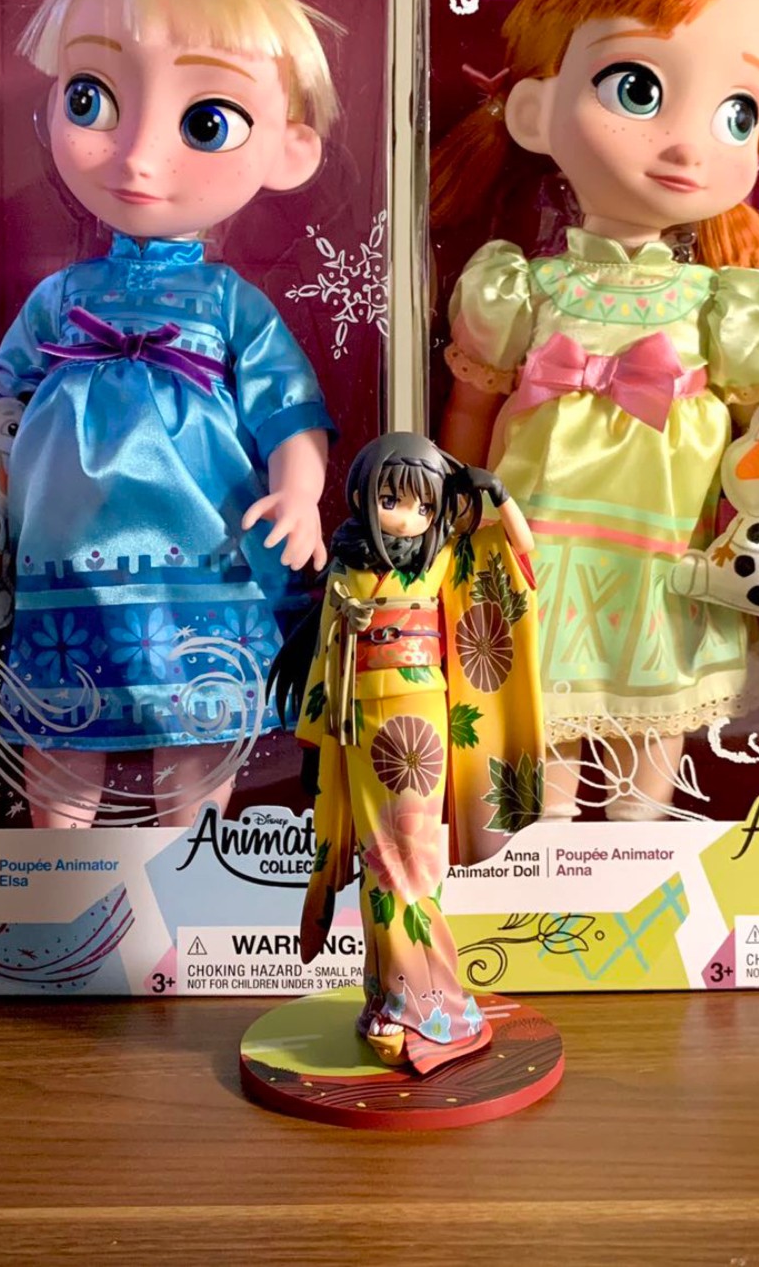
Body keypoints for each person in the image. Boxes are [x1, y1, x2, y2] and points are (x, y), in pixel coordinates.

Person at [435, 0, 759, 821]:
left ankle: (639, 860)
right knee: (538, 722)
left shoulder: (722, 302)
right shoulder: (520, 286)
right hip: (541, 546)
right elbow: (468, 411)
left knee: (653, 732)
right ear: (535, 110)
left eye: (736, 113)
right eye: (636, 87)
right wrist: (450, 509)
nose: (689, 144)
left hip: (667, 553)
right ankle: (535, 862)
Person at [0, 0, 337, 827]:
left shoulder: (229, 302)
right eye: (91, 100)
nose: (137, 156)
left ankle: (190, 863)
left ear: (290, 149)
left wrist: (300, 494)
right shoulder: (64, 298)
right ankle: (60, 871)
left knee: (197, 725)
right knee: (63, 719)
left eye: (205, 121)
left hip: (201, 544)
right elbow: (4, 398)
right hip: (65, 552)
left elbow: (289, 407)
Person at [271, 433, 543, 1073]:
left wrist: (499, 496)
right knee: (380, 861)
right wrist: (319, 740)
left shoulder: (443, 557)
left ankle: (426, 1008)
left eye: (424, 507)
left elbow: (520, 555)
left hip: (417, 719)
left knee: (406, 860)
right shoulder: (346, 563)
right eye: (391, 500)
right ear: (362, 494)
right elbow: (325, 653)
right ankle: (387, 997)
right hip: (356, 720)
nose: (407, 518)